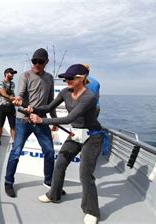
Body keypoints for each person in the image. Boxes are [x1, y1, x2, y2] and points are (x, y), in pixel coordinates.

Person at [29, 64, 104, 224]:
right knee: (60, 164)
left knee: (85, 174)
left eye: (70, 78)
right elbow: (48, 107)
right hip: (75, 135)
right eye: (65, 78)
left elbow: (69, 119)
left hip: (93, 137)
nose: (66, 80)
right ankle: (53, 195)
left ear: (82, 78)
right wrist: (32, 109)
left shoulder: (89, 97)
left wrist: (42, 121)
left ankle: (92, 211)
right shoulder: (65, 92)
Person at [3, 48, 57, 198]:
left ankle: (49, 181)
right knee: (16, 152)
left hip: (41, 120)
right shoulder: (25, 75)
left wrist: (54, 120)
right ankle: (8, 182)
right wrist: (18, 101)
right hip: (23, 120)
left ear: (46, 62)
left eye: (41, 61)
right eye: (35, 61)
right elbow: (20, 95)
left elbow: (51, 101)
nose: (37, 64)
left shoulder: (50, 78)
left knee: (50, 152)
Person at [0, 68, 17, 147]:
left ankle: (14, 141)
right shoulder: (1, 83)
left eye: (13, 73)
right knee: (0, 125)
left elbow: (12, 94)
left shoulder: (13, 84)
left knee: (13, 126)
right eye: (11, 73)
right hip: (2, 107)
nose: (13, 74)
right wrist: (13, 98)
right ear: (6, 73)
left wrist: (14, 99)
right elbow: (3, 94)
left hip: (11, 107)